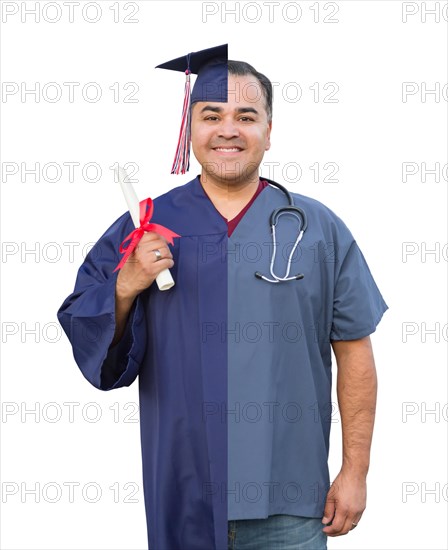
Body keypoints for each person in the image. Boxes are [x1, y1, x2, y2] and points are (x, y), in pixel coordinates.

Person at [58, 44, 388, 550]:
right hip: (184, 494)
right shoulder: (145, 227)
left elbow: (355, 353)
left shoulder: (318, 230)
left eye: (246, 116)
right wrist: (126, 282)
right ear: (190, 129)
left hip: (292, 504)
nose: (228, 130)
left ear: (269, 132)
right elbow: (88, 333)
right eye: (212, 115)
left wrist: (355, 471)